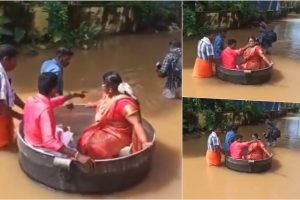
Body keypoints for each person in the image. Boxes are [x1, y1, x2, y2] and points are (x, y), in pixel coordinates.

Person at [23, 72, 95, 169]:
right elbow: (49, 141)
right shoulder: (45, 110)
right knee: (74, 155)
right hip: (40, 147)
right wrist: (77, 155)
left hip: (29, 140)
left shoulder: (31, 99)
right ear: (54, 89)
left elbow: (52, 102)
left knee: (63, 129)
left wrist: (71, 96)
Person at [77, 71, 151, 159]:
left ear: (110, 88)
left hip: (120, 133)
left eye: (104, 84)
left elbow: (136, 123)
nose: (102, 86)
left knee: (96, 148)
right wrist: (94, 104)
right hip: (106, 127)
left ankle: (112, 156)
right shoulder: (108, 94)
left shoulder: (124, 104)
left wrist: (144, 142)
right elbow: (103, 103)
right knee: (84, 140)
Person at [0, 44, 25, 149]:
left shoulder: (5, 73)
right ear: (6, 59)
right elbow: (1, 105)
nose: (17, 63)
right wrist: (21, 117)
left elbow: (11, 94)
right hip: (1, 115)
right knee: (3, 145)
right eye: (15, 60)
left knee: (10, 139)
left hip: (6, 113)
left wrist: (27, 108)